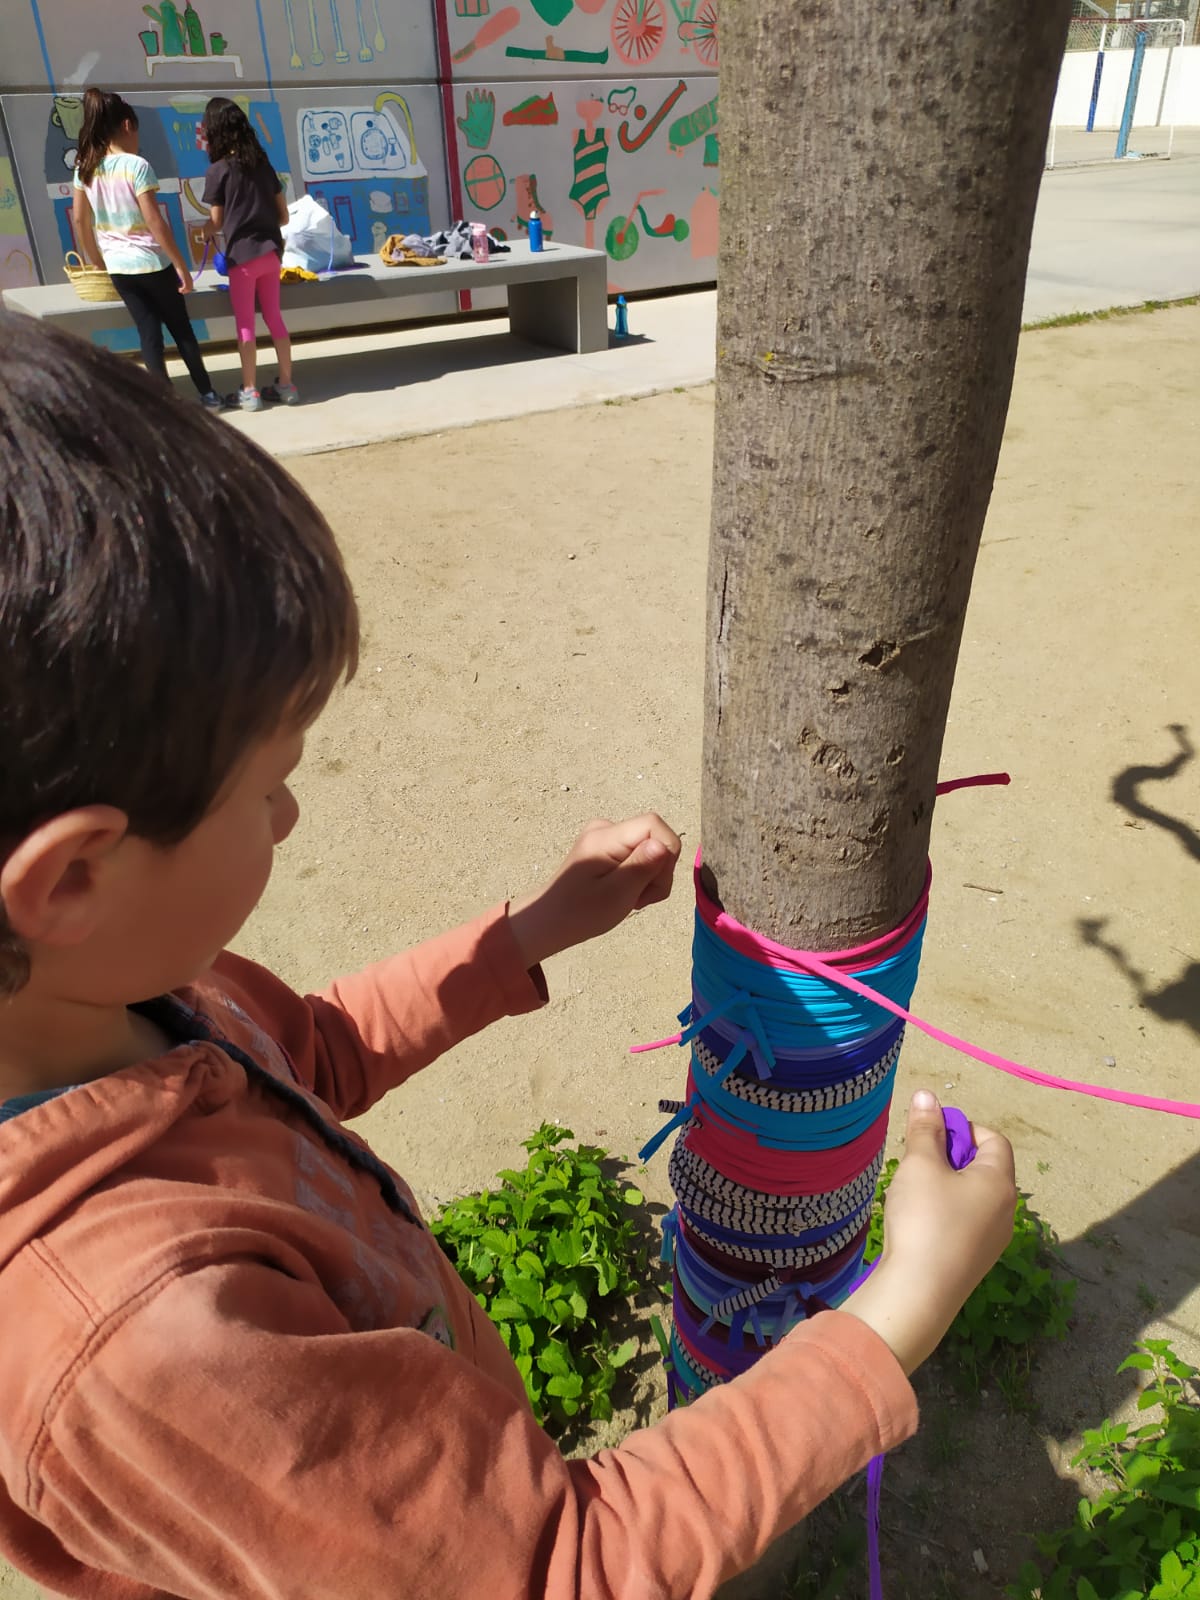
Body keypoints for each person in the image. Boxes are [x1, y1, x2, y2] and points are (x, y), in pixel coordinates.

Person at [0, 313, 1018, 1600]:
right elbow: (563, 1567)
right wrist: (906, 1300)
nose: (290, 817)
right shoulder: (146, 1348)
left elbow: (310, 1049)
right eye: (268, 787)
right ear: (72, 878)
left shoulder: (109, 996)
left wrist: (526, 932)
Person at [72, 87, 221, 410]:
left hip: (118, 268)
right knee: (181, 330)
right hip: (152, 263)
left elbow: (80, 220)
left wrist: (96, 260)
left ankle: (165, 405)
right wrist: (180, 264)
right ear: (127, 126)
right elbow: (154, 220)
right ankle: (208, 394)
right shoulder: (136, 165)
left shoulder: (85, 166)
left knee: (149, 334)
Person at [202, 96, 297, 412]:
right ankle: (287, 385)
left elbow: (216, 222)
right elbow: (284, 217)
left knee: (245, 325)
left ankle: (250, 391)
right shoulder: (263, 165)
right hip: (271, 254)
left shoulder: (218, 171)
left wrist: (202, 231)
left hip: (241, 260)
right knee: (274, 318)